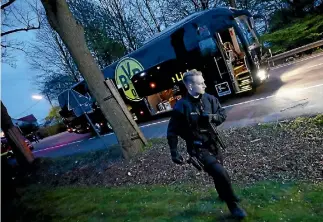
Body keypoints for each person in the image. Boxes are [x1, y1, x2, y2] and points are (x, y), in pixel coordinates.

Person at [167, 69, 247, 219]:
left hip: (213, 143)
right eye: (200, 83)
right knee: (221, 173)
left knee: (219, 174)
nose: (204, 85)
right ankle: (233, 205)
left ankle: (222, 194)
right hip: (198, 149)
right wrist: (174, 152)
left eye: (203, 82)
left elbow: (222, 114)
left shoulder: (210, 99)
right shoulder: (181, 107)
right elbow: (172, 132)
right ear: (190, 86)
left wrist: (211, 117)